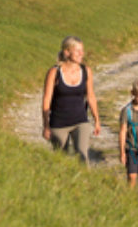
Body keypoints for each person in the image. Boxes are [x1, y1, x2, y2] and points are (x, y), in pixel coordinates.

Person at [42, 36, 101, 166]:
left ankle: (85, 184)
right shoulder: (54, 72)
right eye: (77, 50)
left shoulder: (86, 71)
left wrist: (97, 120)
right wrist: (46, 125)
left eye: (82, 50)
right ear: (67, 52)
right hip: (59, 124)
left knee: (82, 154)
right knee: (60, 159)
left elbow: (91, 96)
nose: (81, 54)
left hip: (80, 121)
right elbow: (47, 99)